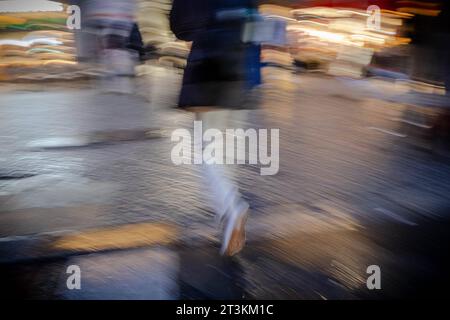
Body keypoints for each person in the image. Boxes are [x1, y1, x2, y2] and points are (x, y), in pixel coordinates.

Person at [170, 0, 261, 256]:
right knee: (224, 152)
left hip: (210, 73)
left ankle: (233, 209)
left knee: (207, 153)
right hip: (243, 73)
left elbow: (182, 27)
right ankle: (228, 215)